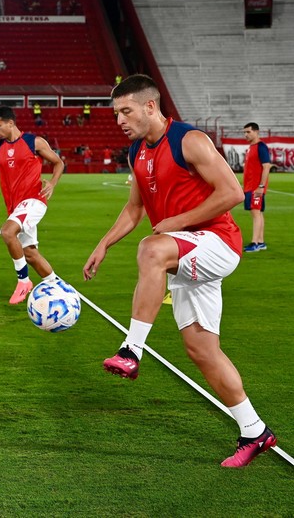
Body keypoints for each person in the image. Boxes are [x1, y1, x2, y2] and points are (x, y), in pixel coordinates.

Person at [82, 75, 275, 468]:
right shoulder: (137, 151)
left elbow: (233, 193)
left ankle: (131, 350)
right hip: (186, 251)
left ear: (150, 107)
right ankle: (255, 432)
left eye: (126, 111)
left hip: (218, 242)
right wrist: (103, 243)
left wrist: (178, 220)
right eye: (116, 112)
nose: (120, 119)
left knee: (152, 249)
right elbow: (135, 209)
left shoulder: (189, 140)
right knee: (201, 349)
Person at [0, 106, 64, 304]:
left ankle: (23, 282)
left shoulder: (33, 142)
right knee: (30, 254)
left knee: (8, 232)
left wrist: (52, 182)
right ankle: (57, 286)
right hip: (16, 206)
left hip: (34, 200)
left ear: (11, 123)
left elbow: (58, 162)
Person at [241, 122, 271, 252]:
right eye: (244, 132)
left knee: (255, 213)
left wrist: (261, 186)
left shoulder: (261, 147)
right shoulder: (250, 147)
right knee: (257, 213)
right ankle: (261, 241)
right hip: (250, 187)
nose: (246, 135)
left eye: (248, 132)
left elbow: (266, 167)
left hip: (256, 188)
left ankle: (255, 243)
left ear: (256, 132)